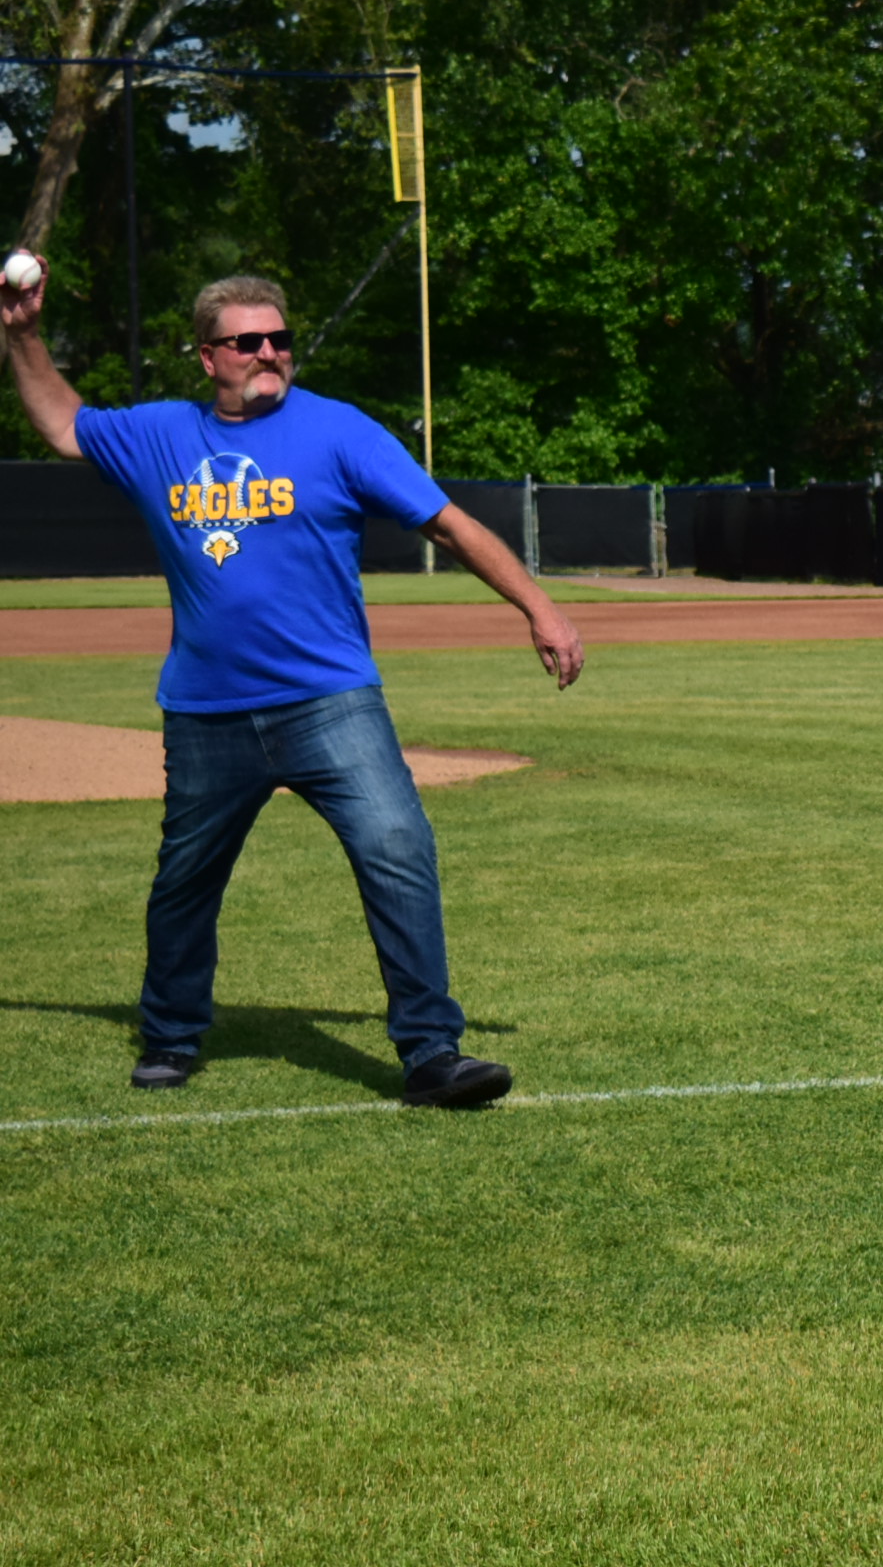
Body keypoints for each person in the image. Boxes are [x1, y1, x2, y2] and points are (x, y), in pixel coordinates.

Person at [1, 266, 583, 1101]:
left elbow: (449, 524)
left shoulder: (341, 432)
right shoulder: (161, 435)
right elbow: (62, 422)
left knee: (398, 847)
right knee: (185, 880)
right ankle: (169, 1036)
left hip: (331, 702)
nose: (269, 353)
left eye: (280, 339)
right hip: (207, 713)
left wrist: (542, 609)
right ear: (208, 358)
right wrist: (20, 331)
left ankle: (431, 1053)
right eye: (248, 342)